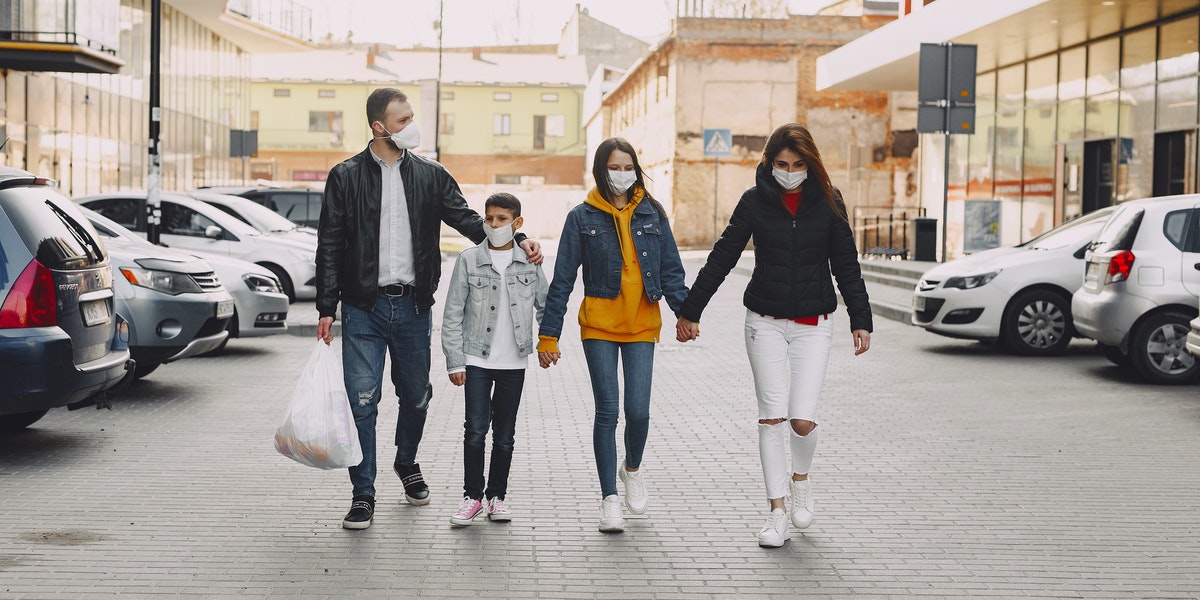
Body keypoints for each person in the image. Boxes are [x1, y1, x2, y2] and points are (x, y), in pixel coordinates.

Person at [316, 87, 542, 530]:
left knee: (416, 396)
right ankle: (364, 494)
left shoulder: (431, 175)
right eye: (403, 121)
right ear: (379, 127)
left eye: (411, 117)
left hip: (414, 307)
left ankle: (406, 461)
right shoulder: (344, 176)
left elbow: (469, 221)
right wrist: (327, 305)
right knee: (363, 401)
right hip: (363, 308)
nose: (411, 126)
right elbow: (330, 243)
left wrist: (515, 239)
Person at [676, 123, 872, 548]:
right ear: (769, 163)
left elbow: (846, 264)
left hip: (813, 324)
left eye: (799, 164)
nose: (790, 171)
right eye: (782, 164)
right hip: (763, 321)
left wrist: (862, 317)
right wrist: (691, 311)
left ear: (811, 164)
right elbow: (723, 254)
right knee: (771, 418)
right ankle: (777, 512)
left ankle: (801, 481)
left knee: (801, 420)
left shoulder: (829, 201)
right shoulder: (754, 200)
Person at [537, 137, 690, 533]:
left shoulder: (653, 213)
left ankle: (632, 469)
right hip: (599, 324)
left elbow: (672, 269)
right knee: (608, 411)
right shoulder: (581, 216)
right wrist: (548, 334)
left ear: (636, 170)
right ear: (601, 169)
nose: (622, 174)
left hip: (643, 323)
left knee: (638, 411)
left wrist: (685, 314)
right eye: (614, 167)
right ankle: (608, 499)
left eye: (628, 167)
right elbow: (563, 279)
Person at [440, 192, 548, 526]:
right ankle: (472, 497)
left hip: (513, 362)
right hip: (476, 360)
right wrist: (455, 361)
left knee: (504, 434)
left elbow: (546, 306)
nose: (494, 225)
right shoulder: (469, 260)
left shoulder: (529, 262)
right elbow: (452, 313)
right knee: (474, 430)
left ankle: (496, 497)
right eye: (489, 218)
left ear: (517, 224)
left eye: (502, 219)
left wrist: (548, 342)